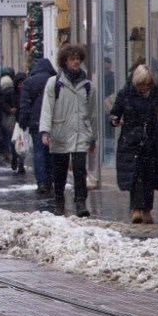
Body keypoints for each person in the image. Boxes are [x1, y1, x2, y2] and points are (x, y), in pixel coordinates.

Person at [109, 63, 158, 224]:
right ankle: (136, 208)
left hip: (151, 140)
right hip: (131, 140)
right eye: (142, 84)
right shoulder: (126, 94)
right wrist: (115, 120)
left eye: (148, 84)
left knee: (149, 175)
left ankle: (147, 208)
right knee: (135, 176)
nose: (145, 88)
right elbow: (115, 112)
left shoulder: (157, 94)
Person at [39, 44, 95, 216]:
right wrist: (45, 131)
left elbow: (92, 113)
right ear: (64, 61)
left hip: (80, 132)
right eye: (72, 59)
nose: (76, 62)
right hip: (60, 131)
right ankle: (59, 200)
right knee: (60, 170)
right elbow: (47, 108)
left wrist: (92, 136)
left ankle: (80, 203)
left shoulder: (88, 86)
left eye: (78, 58)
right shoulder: (54, 83)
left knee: (79, 169)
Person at [18, 53, 56, 196]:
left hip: (36, 122)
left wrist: (23, 121)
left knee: (39, 152)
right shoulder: (54, 80)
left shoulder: (29, 82)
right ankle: (50, 180)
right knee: (51, 152)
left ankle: (41, 182)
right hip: (53, 121)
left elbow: (25, 104)